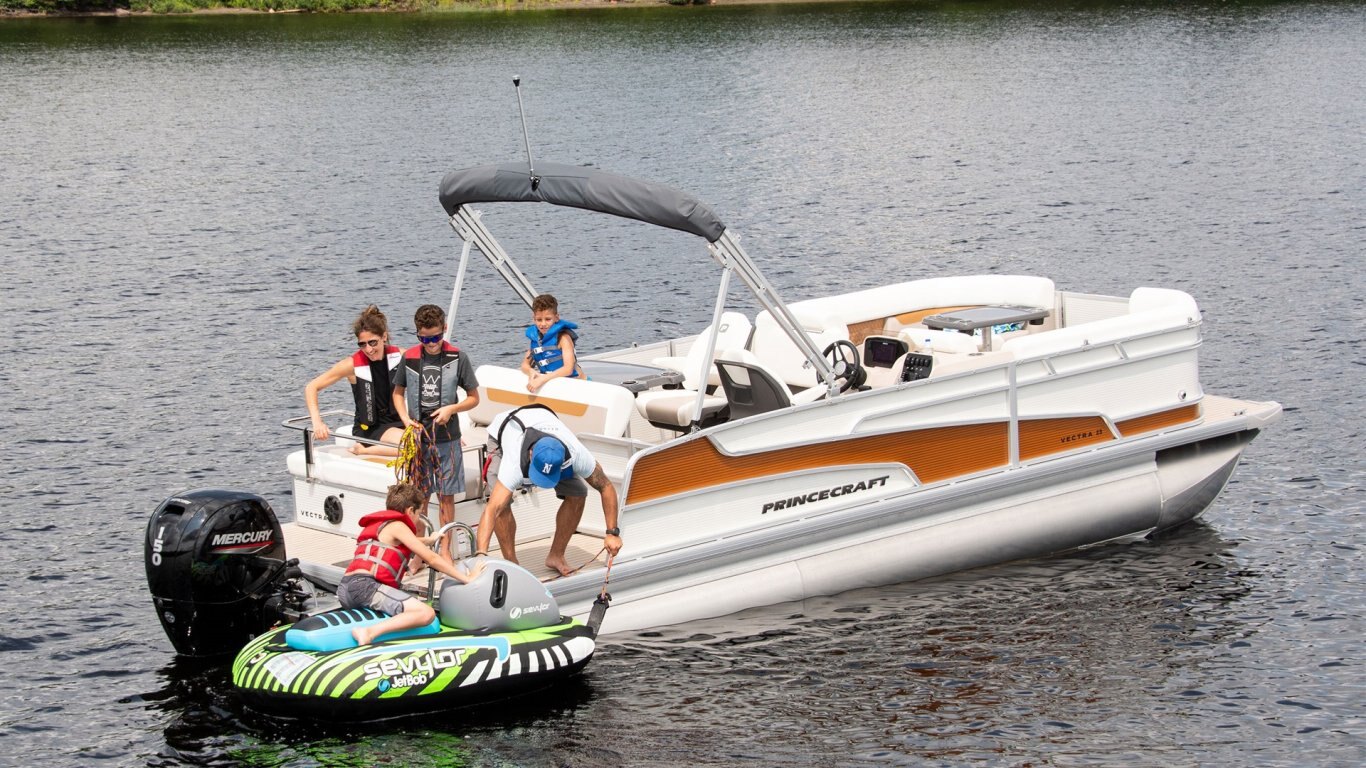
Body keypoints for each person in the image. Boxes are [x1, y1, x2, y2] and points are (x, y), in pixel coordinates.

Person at [475, 404, 622, 577]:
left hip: (546, 424)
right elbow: (492, 509)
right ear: (531, 455)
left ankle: (556, 556)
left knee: (578, 493)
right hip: (504, 429)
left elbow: (606, 486)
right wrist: (481, 556)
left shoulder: (577, 454)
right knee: (501, 504)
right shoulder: (513, 463)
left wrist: (612, 533)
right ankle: (512, 564)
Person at [338, 483, 486, 646]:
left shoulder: (384, 525)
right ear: (410, 511)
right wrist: (466, 578)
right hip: (365, 588)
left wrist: (428, 540)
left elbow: (401, 542)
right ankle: (369, 633)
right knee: (426, 613)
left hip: (346, 589)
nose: (419, 519)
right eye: (419, 513)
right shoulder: (398, 525)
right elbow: (432, 559)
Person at [391, 304, 481, 560]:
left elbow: (474, 398)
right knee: (418, 498)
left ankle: (444, 551)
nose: (431, 344)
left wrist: (452, 408)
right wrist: (405, 419)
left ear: (444, 329)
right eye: (424, 339)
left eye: (436, 338)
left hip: (447, 440)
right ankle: (419, 553)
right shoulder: (409, 358)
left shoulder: (458, 358)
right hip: (419, 439)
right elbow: (398, 393)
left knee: (446, 497)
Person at [304, 304, 405, 457]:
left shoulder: (401, 356)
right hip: (370, 429)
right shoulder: (351, 365)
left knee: (431, 441)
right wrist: (317, 422)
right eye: (362, 344)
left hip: (399, 422)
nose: (368, 349)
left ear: (384, 337)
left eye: (373, 342)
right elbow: (311, 387)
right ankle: (363, 450)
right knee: (414, 444)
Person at [521, 293, 586, 393]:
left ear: (556, 318)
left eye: (548, 319)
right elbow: (524, 365)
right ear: (534, 319)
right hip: (554, 383)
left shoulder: (563, 338)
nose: (543, 324)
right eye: (539, 320)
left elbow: (568, 369)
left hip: (578, 384)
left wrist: (542, 379)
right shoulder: (537, 339)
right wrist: (531, 371)